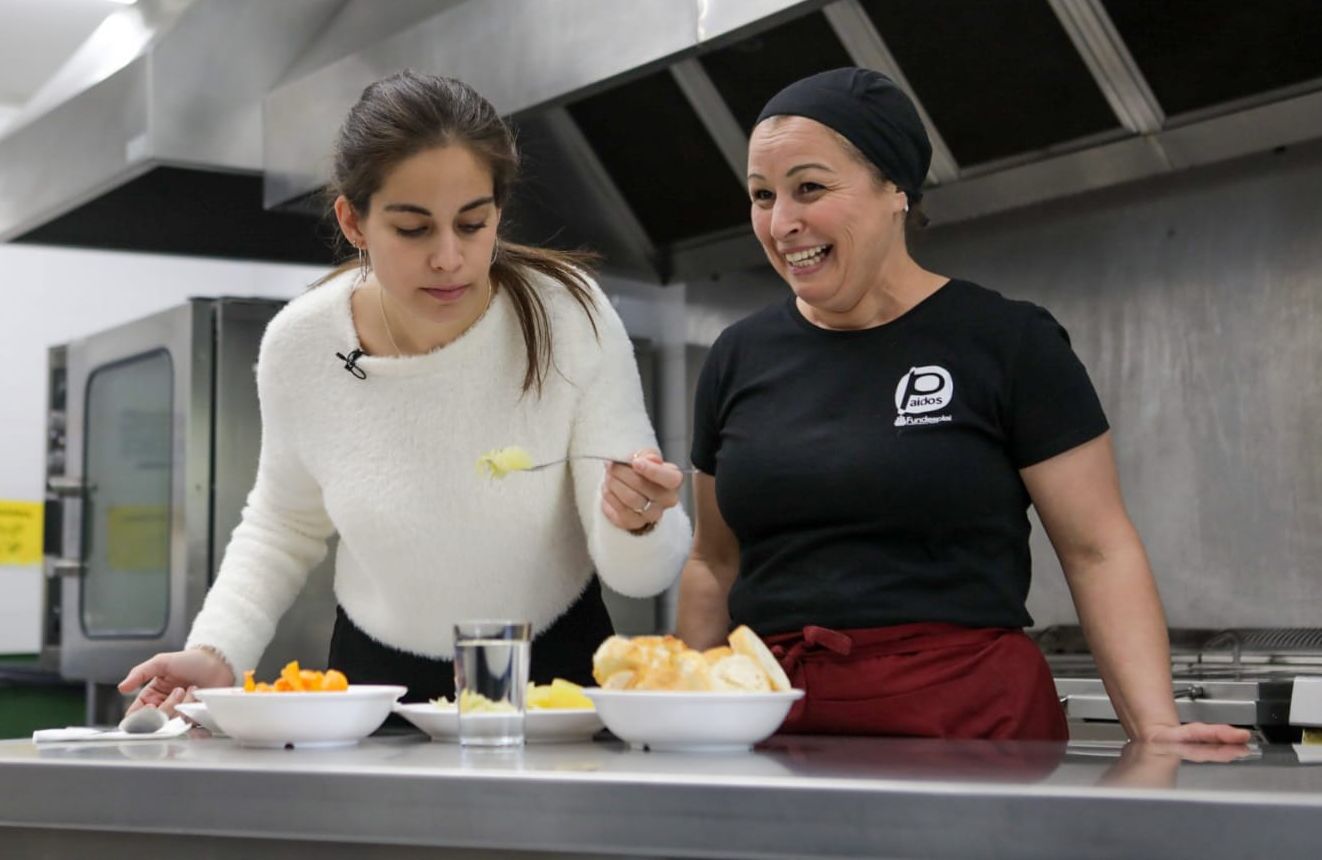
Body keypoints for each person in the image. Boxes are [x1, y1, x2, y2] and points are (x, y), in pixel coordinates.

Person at [676, 66, 1248, 745]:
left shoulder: (1006, 341)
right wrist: (684, 720)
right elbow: (713, 563)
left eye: (809, 188)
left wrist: (1153, 727)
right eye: (761, 195)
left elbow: (1097, 550)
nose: (780, 222)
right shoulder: (737, 357)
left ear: (895, 189)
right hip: (773, 725)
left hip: (966, 721)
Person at [122, 71, 688, 709]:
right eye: (413, 229)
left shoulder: (569, 317)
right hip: (374, 689)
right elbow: (284, 523)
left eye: (472, 224)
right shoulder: (301, 346)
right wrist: (215, 650)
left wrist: (641, 522)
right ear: (354, 221)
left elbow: (642, 576)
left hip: (555, 678)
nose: (448, 257)